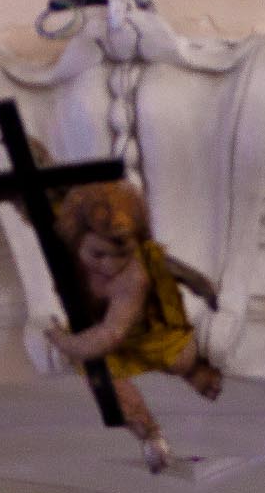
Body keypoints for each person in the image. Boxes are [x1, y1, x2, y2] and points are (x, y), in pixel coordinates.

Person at [42, 181, 224, 472]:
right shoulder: (71, 239)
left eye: (122, 253)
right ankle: (147, 432)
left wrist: (64, 341)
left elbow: (110, 334)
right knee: (101, 377)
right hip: (103, 333)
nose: (111, 265)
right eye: (99, 255)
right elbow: (42, 201)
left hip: (146, 333)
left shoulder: (132, 277)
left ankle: (195, 372)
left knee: (179, 359)